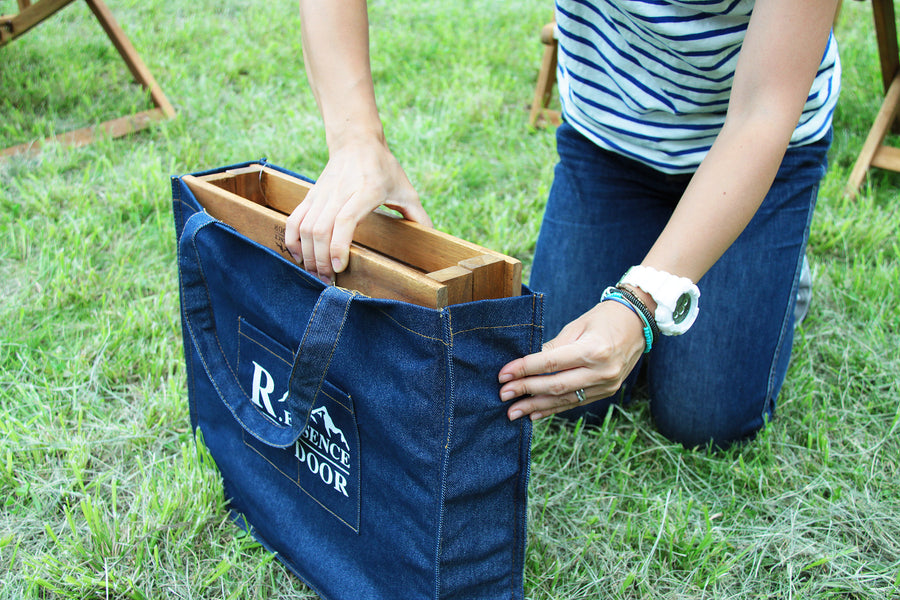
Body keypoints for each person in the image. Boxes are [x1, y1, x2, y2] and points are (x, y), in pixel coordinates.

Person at [285, 0, 841, 448]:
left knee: (702, 422)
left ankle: (766, 262)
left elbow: (764, 111)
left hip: (759, 146)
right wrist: (357, 138)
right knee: (568, 395)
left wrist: (642, 303)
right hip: (610, 142)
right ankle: (681, 257)